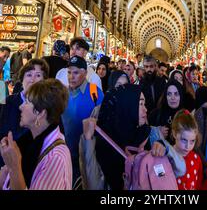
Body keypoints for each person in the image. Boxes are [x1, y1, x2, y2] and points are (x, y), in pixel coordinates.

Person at [79, 84, 180, 190]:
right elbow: (94, 186)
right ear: (126, 105)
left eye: (144, 104)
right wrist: (87, 141)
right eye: (140, 103)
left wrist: (165, 148)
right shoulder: (103, 142)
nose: (145, 109)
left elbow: (180, 169)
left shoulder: (148, 134)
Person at [0, 79, 72, 190]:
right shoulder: (28, 142)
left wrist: (14, 167)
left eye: (27, 102)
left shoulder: (56, 157)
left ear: (40, 113)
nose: (21, 106)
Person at [61, 56, 103, 186]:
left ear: (84, 73)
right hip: (66, 151)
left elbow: (101, 122)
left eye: (76, 72)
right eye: (69, 72)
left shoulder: (94, 92)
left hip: (85, 152)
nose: (71, 77)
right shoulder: (63, 93)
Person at [0, 59, 49, 143]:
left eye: (38, 75)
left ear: (44, 81)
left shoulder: (46, 106)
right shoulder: (8, 102)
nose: (32, 80)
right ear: (22, 79)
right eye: (29, 75)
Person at [171, 109, 207, 190]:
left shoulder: (196, 159)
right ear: (175, 133)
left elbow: (199, 187)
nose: (188, 146)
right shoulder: (166, 157)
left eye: (192, 141)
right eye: (184, 140)